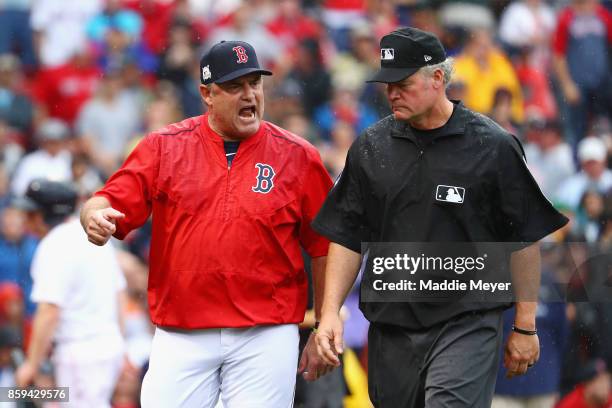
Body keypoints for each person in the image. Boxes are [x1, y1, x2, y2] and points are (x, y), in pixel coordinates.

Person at [312, 27, 569, 407]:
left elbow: (524, 237)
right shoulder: (371, 148)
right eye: (387, 84)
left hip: (467, 320)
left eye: (403, 82)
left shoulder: (492, 146)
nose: (393, 93)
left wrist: (525, 325)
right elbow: (347, 235)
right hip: (392, 326)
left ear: (438, 78)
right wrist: (329, 313)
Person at [79, 40, 333, 407]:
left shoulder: (297, 155)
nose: (249, 95)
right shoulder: (163, 147)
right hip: (181, 331)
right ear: (207, 94)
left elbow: (326, 243)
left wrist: (325, 323)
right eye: (235, 86)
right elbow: (107, 199)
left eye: (255, 83)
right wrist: (94, 214)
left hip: (265, 332)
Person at [13, 179, 126, 407]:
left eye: (30, 213)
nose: (25, 220)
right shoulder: (88, 235)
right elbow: (119, 295)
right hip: (106, 348)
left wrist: (31, 365)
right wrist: (120, 345)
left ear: (41, 214)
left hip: (80, 352)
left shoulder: (53, 245)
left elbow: (49, 311)